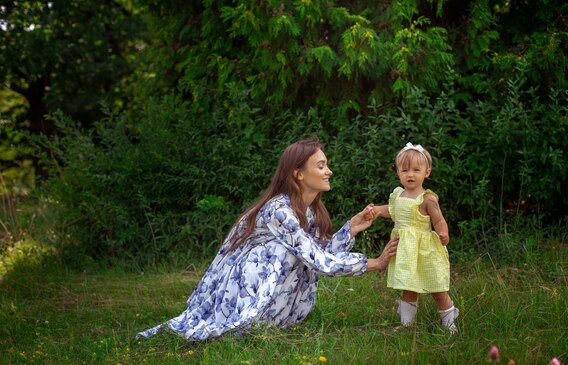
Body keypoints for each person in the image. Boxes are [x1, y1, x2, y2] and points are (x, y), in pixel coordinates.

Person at [136, 136, 399, 341]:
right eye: (321, 166)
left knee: (297, 252)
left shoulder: (310, 209)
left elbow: (320, 253)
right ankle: (248, 320)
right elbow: (318, 260)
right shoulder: (278, 210)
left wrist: (350, 229)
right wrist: (374, 263)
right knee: (283, 251)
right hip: (236, 286)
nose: (328, 171)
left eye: (326, 165)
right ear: (298, 173)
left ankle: (273, 321)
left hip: (265, 285)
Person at [372, 142, 459, 332]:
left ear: (426, 172)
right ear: (398, 173)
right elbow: (392, 210)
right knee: (408, 286)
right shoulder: (398, 195)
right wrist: (376, 210)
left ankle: (450, 323)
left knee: (437, 288)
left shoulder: (427, 198)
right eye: (404, 170)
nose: (410, 174)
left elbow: (439, 220)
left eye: (416, 170)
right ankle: (406, 325)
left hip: (425, 250)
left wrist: (443, 232)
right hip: (405, 251)